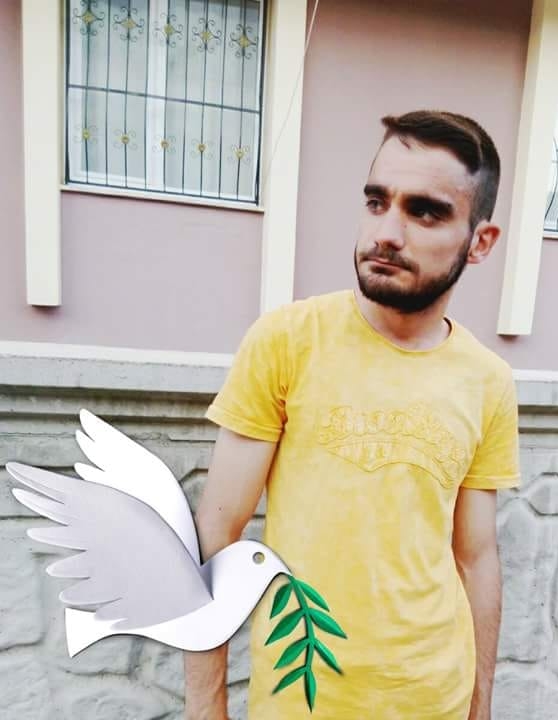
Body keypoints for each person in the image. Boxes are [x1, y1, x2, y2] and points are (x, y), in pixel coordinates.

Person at [184, 109, 522, 720]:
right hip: (301, 700)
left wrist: (481, 704)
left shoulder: (488, 381)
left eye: (425, 212)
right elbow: (216, 535)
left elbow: (476, 558)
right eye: (376, 201)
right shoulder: (288, 341)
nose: (387, 232)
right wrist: (206, 710)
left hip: (435, 699)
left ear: (480, 242)